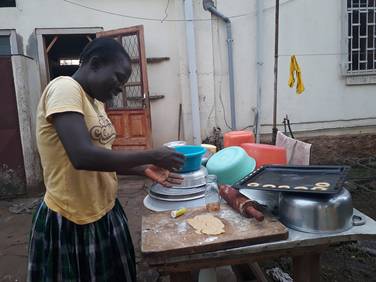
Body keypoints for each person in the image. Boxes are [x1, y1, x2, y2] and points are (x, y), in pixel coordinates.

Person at [27, 37, 185, 282]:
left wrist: (144, 169)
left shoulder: (96, 103)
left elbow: (103, 160)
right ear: (95, 63)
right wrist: (152, 154)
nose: (121, 87)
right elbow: (82, 157)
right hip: (71, 219)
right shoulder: (65, 88)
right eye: (118, 78)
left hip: (104, 210)